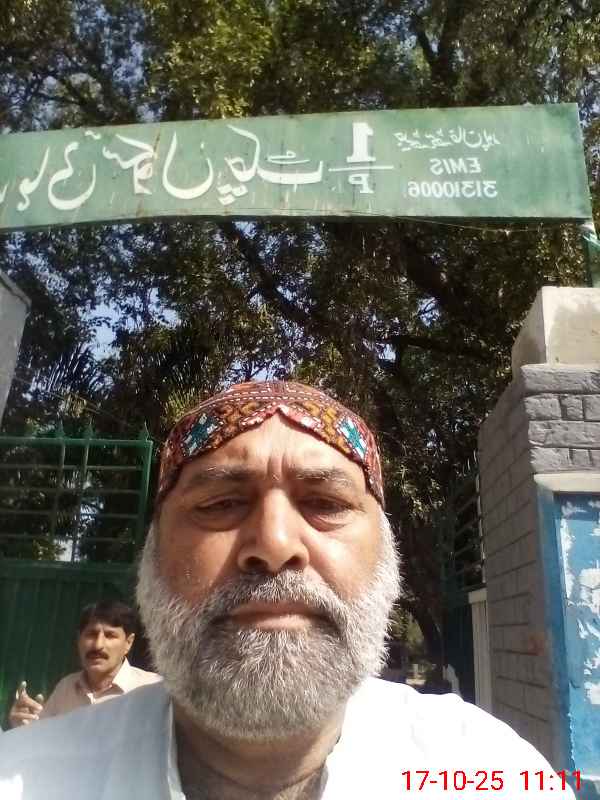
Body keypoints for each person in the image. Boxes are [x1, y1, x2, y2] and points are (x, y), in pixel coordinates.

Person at [0, 381, 575, 799]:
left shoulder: (489, 772)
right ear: (151, 558)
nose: (274, 544)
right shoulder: (25, 779)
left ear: (387, 556)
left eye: (325, 503)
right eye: (220, 504)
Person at [8, 599, 160, 726]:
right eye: (91, 634)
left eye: (110, 635)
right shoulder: (66, 689)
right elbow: (44, 742)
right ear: (79, 639)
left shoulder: (153, 689)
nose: (98, 645)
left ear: (128, 643)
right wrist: (23, 727)